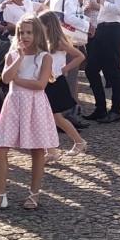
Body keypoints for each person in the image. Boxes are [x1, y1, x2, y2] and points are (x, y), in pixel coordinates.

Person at [0, 15, 58, 210]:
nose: (25, 36)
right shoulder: (12, 56)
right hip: (13, 104)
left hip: (34, 105)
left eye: (29, 32)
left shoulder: (44, 57)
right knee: (0, 147)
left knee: (37, 150)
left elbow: (40, 84)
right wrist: (18, 58)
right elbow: (5, 78)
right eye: (21, 32)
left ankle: (34, 193)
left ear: (37, 34)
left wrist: (18, 81)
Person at [37, 10, 88, 158]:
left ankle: (76, 142)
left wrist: (65, 68)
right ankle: (54, 149)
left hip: (55, 82)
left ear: (48, 25)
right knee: (51, 117)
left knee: (54, 117)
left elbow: (80, 56)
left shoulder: (59, 42)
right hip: (47, 81)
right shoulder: (46, 41)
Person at [47, 0, 90, 122]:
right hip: (69, 40)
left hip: (56, 38)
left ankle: (61, 114)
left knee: (60, 75)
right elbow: (70, 18)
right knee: (70, 76)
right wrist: (87, 25)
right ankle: (68, 114)